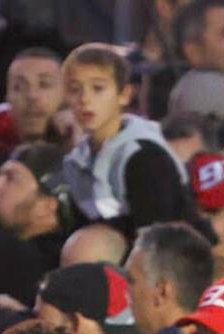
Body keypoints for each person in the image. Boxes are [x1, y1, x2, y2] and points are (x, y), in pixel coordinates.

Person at [59, 43, 189, 230]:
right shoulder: (76, 161)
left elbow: (160, 235)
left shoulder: (145, 155)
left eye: (97, 88)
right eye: (74, 89)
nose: (84, 99)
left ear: (124, 94)